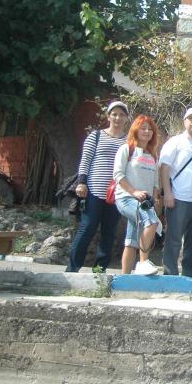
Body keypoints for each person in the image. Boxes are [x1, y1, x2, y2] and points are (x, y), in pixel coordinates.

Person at [66, 100, 129, 273]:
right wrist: (82, 182)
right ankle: (72, 268)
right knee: (87, 228)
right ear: (108, 116)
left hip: (116, 193)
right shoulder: (96, 136)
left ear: (126, 118)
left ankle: (100, 270)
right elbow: (85, 160)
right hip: (94, 190)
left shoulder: (129, 140)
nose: (118, 118)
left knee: (109, 232)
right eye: (114, 114)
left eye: (122, 114)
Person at [160, 107, 192, 278]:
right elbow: (164, 168)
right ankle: (170, 274)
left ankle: (190, 276)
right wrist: (167, 193)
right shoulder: (175, 142)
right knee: (173, 239)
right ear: (184, 121)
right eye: (191, 118)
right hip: (178, 197)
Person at [113, 115, 162, 275]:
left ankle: (125, 278)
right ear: (135, 129)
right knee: (151, 222)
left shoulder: (153, 155)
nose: (147, 132)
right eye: (143, 128)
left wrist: (155, 198)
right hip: (126, 198)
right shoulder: (127, 149)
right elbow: (118, 175)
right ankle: (143, 263)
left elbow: (155, 182)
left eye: (150, 129)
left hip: (145, 202)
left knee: (132, 241)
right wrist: (133, 191)